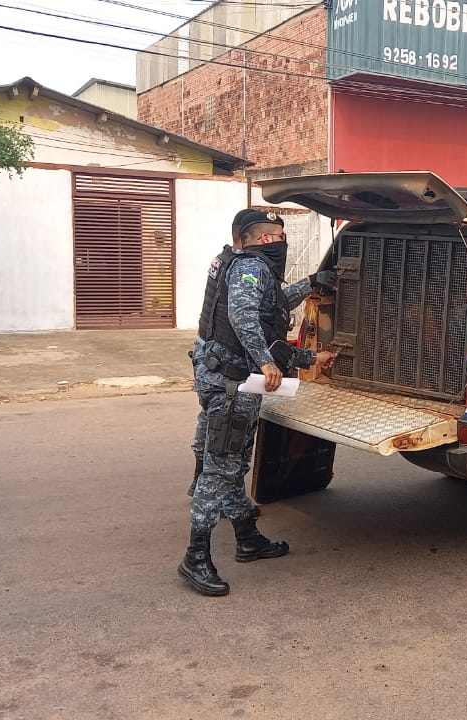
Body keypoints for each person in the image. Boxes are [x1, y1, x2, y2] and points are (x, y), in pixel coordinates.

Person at [179, 208, 337, 597]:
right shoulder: (251, 268)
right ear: (267, 239)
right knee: (220, 467)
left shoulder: (232, 261)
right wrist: (268, 362)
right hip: (233, 384)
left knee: (232, 463)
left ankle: (247, 537)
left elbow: (271, 303)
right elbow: (244, 316)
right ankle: (195, 557)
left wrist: (310, 284)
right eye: (280, 236)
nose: (283, 243)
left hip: (217, 374)